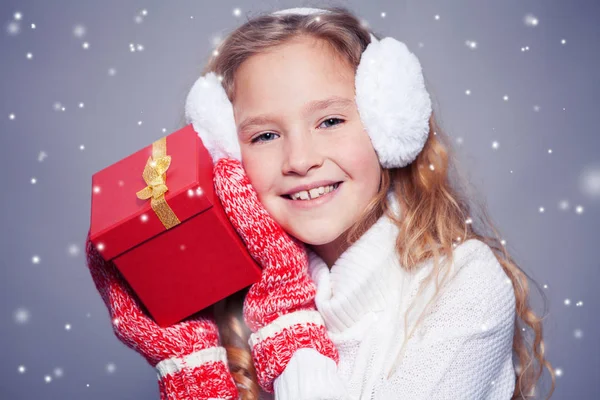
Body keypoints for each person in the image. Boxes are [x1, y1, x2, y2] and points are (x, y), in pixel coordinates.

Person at [85, 5, 556, 400]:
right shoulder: (239, 314)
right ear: (227, 159)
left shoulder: (463, 283)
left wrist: (288, 322)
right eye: (266, 135)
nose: (300, 159)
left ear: (388, 124)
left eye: (329, 121)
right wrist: (193, 368)